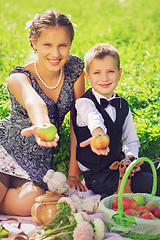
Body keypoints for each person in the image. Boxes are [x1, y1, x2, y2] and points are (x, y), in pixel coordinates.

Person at [0, 9, 85, 216]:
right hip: (5, 147)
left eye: (62, 46)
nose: (55, 54)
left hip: (36, 160)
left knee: (32, 202)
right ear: (34, 42)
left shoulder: (75, 70)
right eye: (47, 45)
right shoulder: (19, 77)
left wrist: (73, 175)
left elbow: (77, 122)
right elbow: (34, 102)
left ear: (70, 45)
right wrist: (43, 124)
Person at [71, 43, 160, 198]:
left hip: (119, 166)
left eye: (110, 71)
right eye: (97, 73)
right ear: (87, 76)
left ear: (119, 73)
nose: (104, 78)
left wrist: (131, 159)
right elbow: (93, 117)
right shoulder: (84, 103)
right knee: (152, 182)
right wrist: (98, 132)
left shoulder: (122, 104)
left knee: (155, 167)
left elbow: (131, 139)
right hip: (98, 177)